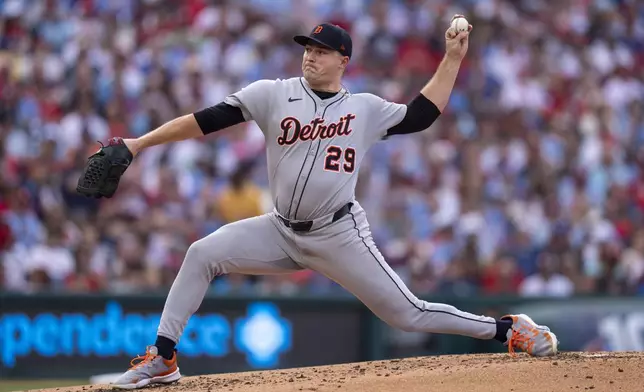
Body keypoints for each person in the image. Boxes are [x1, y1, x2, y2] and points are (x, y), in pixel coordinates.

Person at [110, 16, 558, 389]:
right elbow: (205, 121)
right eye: (308, 47)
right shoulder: (273, 93)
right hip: (280, 229)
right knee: (201, 253)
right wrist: (140, 142)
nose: (310, 55)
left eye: (321, 51)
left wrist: (453, 58)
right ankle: (164, 359)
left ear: (343, 60)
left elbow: (422, 114)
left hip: (339, 232)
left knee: (408, 314)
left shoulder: (364, 108)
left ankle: (507, 329)